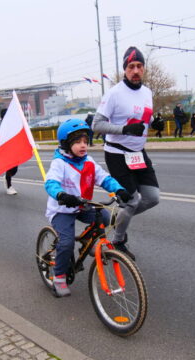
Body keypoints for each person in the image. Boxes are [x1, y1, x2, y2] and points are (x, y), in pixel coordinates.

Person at [44, 119, 132, 297]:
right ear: (66, 144)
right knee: (66, 243)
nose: (83, 145)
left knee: (106, 219)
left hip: (82, 205)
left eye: (85, 141)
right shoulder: (59, 163)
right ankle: (59, 277)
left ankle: (91, 244)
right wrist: (61, 195)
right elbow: (51, 183)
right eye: (77, 142)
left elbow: (104, 179)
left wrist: (119, 190)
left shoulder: (89, 161)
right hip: (62, 209)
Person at [92, 46, 160, 260]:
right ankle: (118, 241)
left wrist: (154, 122)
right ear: (125, 70)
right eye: (131, 67)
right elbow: (96, 125)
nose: (136, 70)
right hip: (117, 154)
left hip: (138, 153)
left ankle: (120, 216)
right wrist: (124, 129)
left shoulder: (148, 92)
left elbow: (144, 117)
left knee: (152, 198)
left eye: (139, 66)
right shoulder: (114, 94)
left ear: (144, 68)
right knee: (131, 201)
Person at [0, 108, 17, 195]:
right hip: (3, 151)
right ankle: (9, 186)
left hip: (12, 150)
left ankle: (7, 177)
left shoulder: (12, 125)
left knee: (14, 169)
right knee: (9, 168)